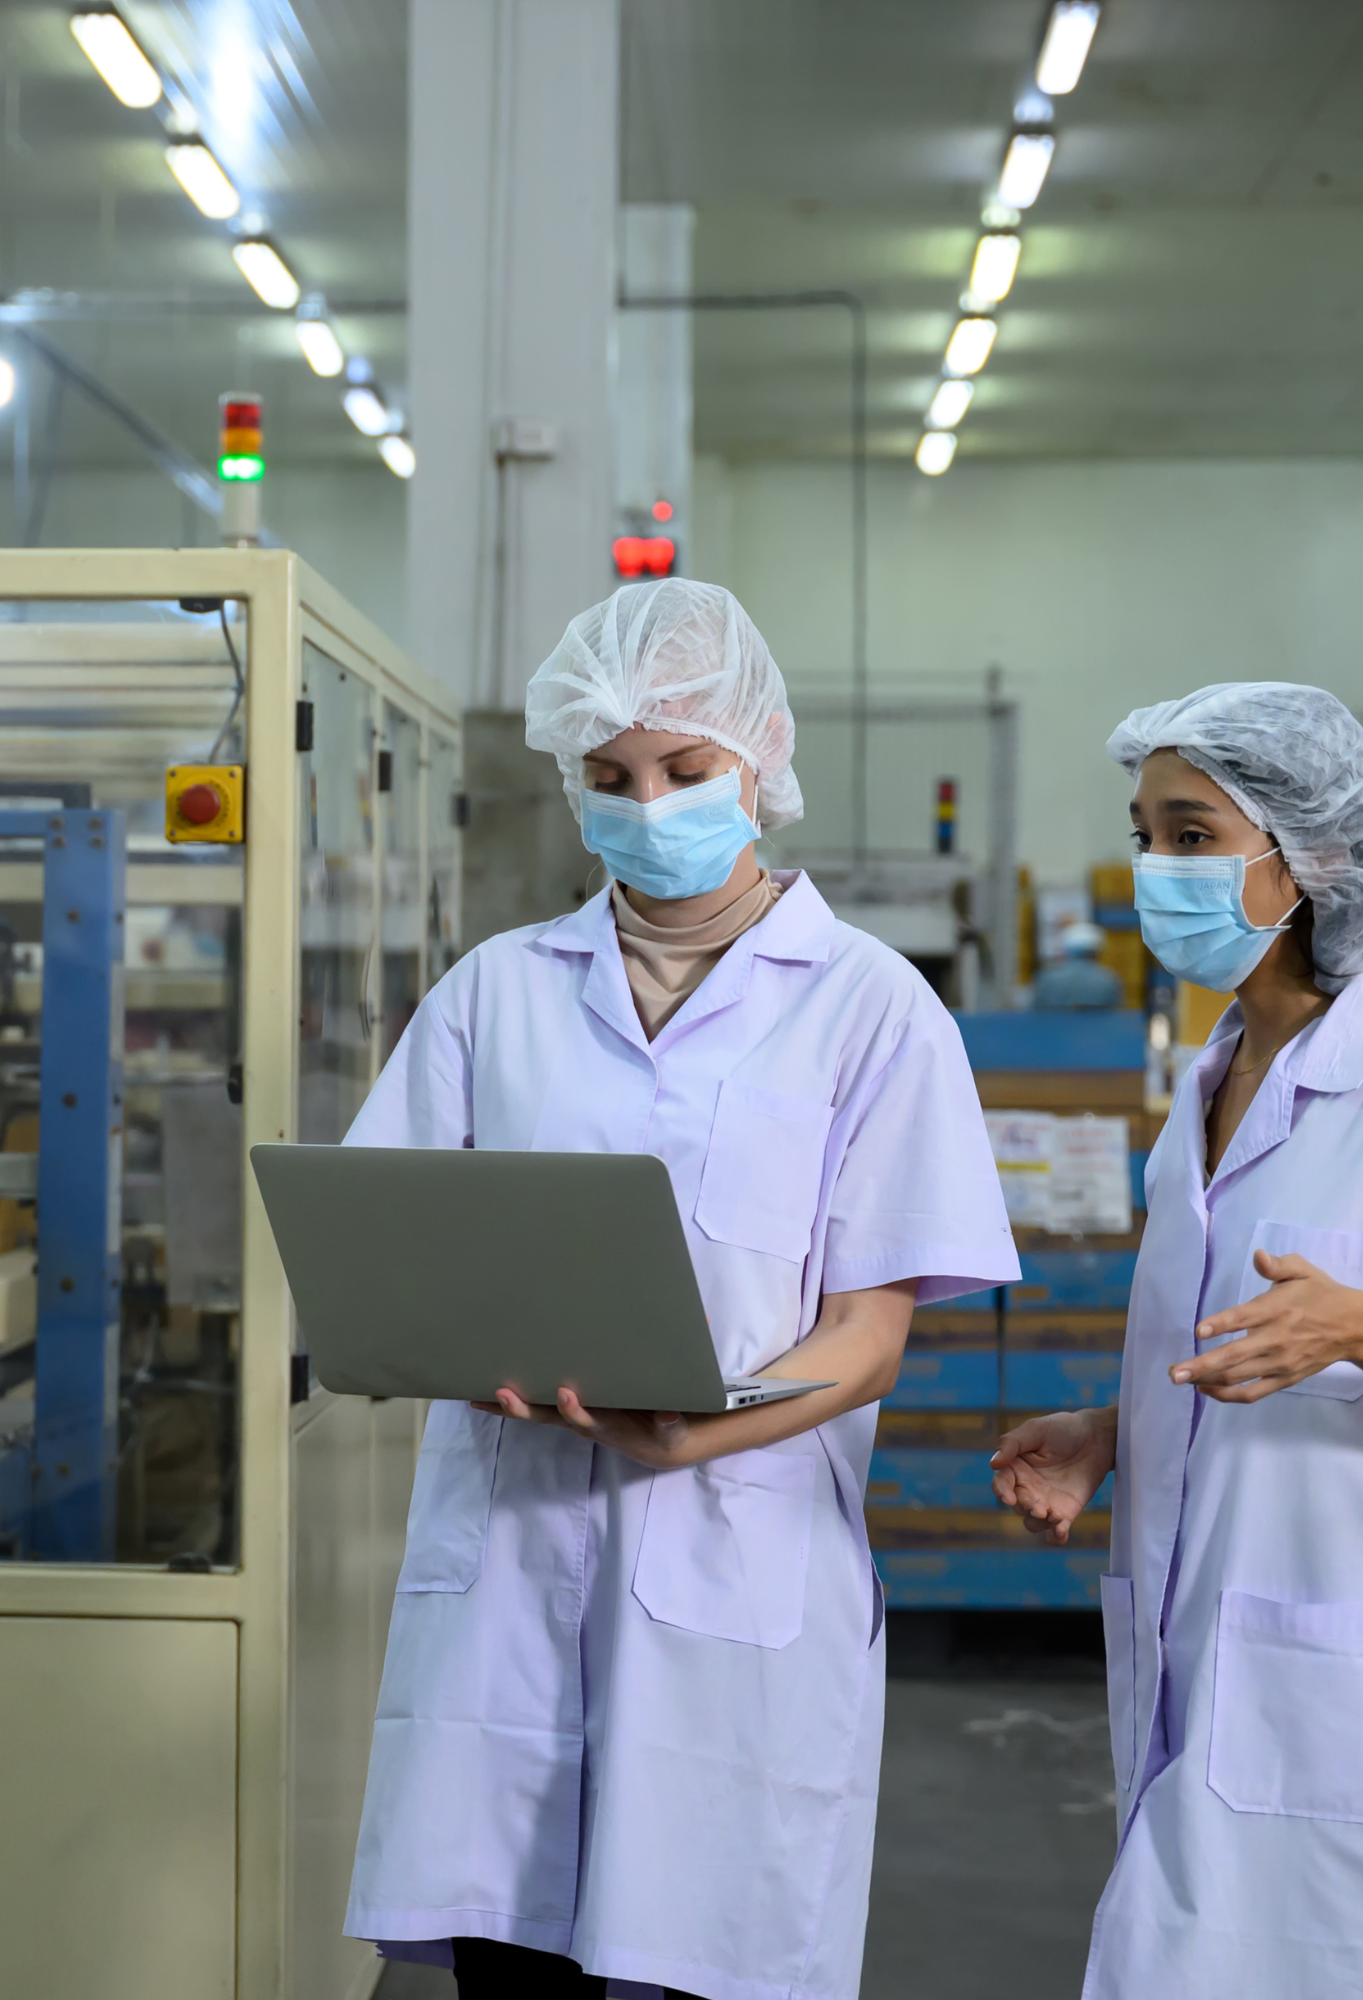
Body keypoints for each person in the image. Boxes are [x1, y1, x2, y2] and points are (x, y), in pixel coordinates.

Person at [342, 578, 1019, 2000]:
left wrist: (699, 1429)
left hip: (735, 1551)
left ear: (760, 758)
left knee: (712, 1956)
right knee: (509, 1960)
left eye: (683, 769)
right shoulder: (497, 992)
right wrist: (454, 1344)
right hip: (512, 1559)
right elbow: (387, 1247)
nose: (647, 805)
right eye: (609, 778)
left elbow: (867, 1337)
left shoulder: (869, 1006)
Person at [991, 682, 1363, 1995]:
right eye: (1145, 832)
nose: (1156, 868)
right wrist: (1116, 1430)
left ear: (1307, 856)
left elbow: (1327, 1329)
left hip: (1326, 1663)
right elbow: (1228, 1343)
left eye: (1193, 836)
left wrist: (1362, 1326)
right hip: (1198, 1640)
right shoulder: (1205, 1084)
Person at [1033, 920, 1125, 1010]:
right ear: (1097, 952)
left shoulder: (1047, 978)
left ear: (1066, 950)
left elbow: (1034, 1013)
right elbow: (1117, 1015)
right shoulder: (1109, 979)